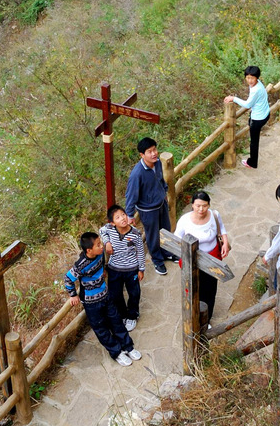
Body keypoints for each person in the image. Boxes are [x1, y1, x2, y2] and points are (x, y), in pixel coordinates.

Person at [65, 232, 140, 366]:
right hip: (91, 303)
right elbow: (68, 279)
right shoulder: (80, 265)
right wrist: (73, 295)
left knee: (116, 321)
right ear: (89, 250)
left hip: (106, 295)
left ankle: (128, 346)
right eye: (98, 245)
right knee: (101, 329)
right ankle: (117, 352)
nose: (102, 246)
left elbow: (102, 264)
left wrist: (103, 270)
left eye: (101, 243)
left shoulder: (99, 255)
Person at [174, 190, 230, 323]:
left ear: (209, 205)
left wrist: (225, 243)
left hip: (212, 257)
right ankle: (192, 315)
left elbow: (221, 229)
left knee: (210, 289)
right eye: (198, 205)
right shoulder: (185, 221)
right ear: (192, 205)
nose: (201, 209)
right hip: (193, 259)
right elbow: (176, 239)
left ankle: (207, 318)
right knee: (193, 287)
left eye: (204, 205)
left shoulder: (214, 215)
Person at [124, 136, 172, 276]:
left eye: (154, 149)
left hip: (161, 203)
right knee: (152, 236)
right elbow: (131, 195)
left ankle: (167, 253)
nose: (154, 153)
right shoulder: (137, 174)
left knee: (165, 230)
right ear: (142, 155)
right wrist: (130, 214)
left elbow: (160, 179)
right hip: (148, 209)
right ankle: (157, 260)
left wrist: (164, 191)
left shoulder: (157, 163)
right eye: (149, 151)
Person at [99, 203, 145, 333]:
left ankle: (132, 315)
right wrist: (107, 242)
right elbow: (101, 230)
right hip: (114, 269)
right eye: (118, 217)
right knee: (115, 294)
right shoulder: (109, 229)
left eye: (123, 215)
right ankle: (123, 315)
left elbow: (140, 252)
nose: (123, 218)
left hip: (131, 269)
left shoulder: (135, 233)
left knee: (134, 293)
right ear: (113, 223)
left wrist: (141, 269)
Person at [226, 65, 270, 168]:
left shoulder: (256, 90)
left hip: (258, 118)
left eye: (252, 78)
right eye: (248, 77)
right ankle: (251, 124)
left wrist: (233, 98)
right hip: (265, 113)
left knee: (254, 143)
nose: (250, 80)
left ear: (257, 77)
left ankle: (252, 163)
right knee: (252, 127)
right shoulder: (258, 84)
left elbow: (247, 105)